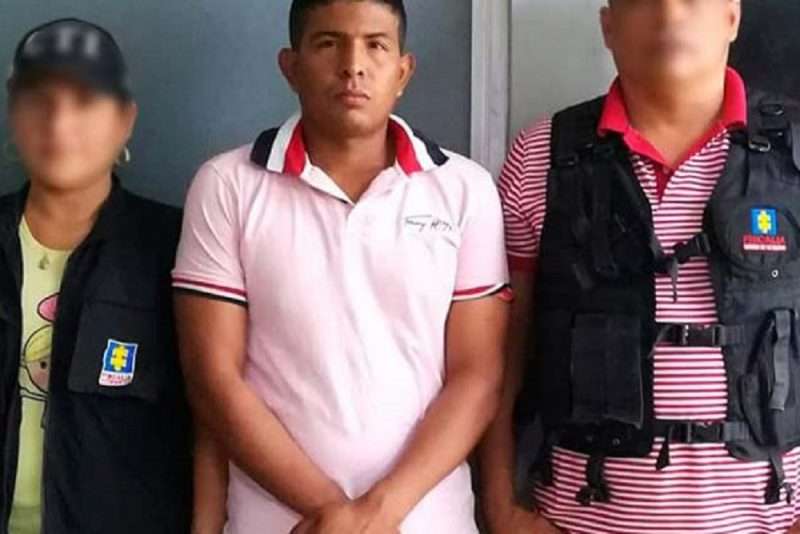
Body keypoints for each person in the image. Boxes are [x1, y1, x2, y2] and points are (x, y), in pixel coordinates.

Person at [172, 1, 510, 533]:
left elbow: (478, 375)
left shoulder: (464, 189)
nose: (353, 65)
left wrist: (377, 514)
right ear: (291, 67)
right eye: (328, 43)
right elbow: (213, 378)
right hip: (278, 522)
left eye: (376, 45)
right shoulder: (227, 185)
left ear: (403, 72)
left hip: (426, 520)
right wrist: (330, 512)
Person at [481, 0, 800, 533]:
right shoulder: (543, 154)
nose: (669, 14)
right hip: (580, 519)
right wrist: (499, 506)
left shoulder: (794, 152)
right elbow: (500, 349)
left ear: (732, 17)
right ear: (608, 26)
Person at [0, 18, 191, 534]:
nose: (59, 122)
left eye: (85, 101)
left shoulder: (177, 248)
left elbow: (212, 418)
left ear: (125, 120)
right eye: (39, 99)